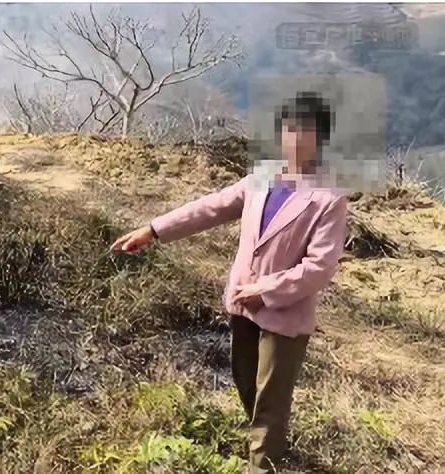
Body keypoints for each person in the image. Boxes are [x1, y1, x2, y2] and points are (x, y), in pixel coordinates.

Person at [110, 92, 349, 473]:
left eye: (304, 130)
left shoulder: (328, 198)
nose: (294, 138)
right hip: (242, 304)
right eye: (289, 128)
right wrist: (153, 230)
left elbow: (320, 267)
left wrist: (266, 289)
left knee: (270, 401)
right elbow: (209, 207)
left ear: (320, 136)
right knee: (246, 386)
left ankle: (262, 464)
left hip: (283, 316)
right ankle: (266, 444)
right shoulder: (262, 179)